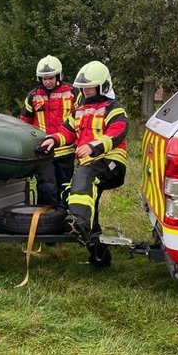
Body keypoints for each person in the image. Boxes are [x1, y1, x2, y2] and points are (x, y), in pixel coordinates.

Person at [39, 61, 128, 266]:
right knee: (89, 202)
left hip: (111, 162)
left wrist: (94, 147)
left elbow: (117, 133)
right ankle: (99, 256)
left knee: (83, 178)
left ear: (103, 86)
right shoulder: (79, 110)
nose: (86, 91)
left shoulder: (114, 109)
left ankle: (77, 223)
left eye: (90, 87)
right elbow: (66, 131)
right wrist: (52, 139)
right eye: (84, 88)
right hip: (90, 165)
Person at [19, 55, 77, 207]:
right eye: (44, 79)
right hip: (44, 152)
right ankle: (46, 223)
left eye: (50, 78)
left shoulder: (73, 93)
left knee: (66, 188)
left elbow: (81, 120)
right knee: (46, 188)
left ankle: (65, 221)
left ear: (58, 76)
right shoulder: (33, 96)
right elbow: (24, 122)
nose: (47, 82)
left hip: (66, 152)